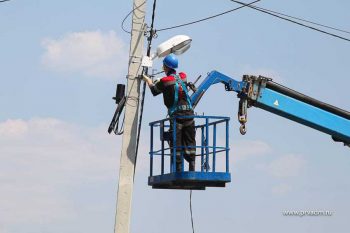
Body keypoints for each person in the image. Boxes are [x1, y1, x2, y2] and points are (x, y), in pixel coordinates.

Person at [142, 54, 196, 172]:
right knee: (190, 141)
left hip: (177, 116)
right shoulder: (183, 76)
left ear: (165, 67)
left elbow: (154, 91)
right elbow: (174, 81)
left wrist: (148, 80)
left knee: (176, 143)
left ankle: (178, 169)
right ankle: (192, 166)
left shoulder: (165, 81)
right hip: (189, 114)